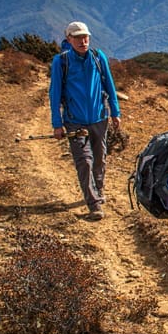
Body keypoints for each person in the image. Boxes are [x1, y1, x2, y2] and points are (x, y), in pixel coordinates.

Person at [49, 21, 122, 221]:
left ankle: (98, 189)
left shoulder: (99, 58)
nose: (83, 41)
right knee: (85, 162)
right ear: (69, 39)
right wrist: (57, 124)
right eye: (78, 37)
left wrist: (115, 112)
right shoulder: (61, 62)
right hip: (75, 121)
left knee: (100, 159)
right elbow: (55, 93)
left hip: (99, 117)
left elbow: (110, 85)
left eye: (85, 36)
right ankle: (94, 203)